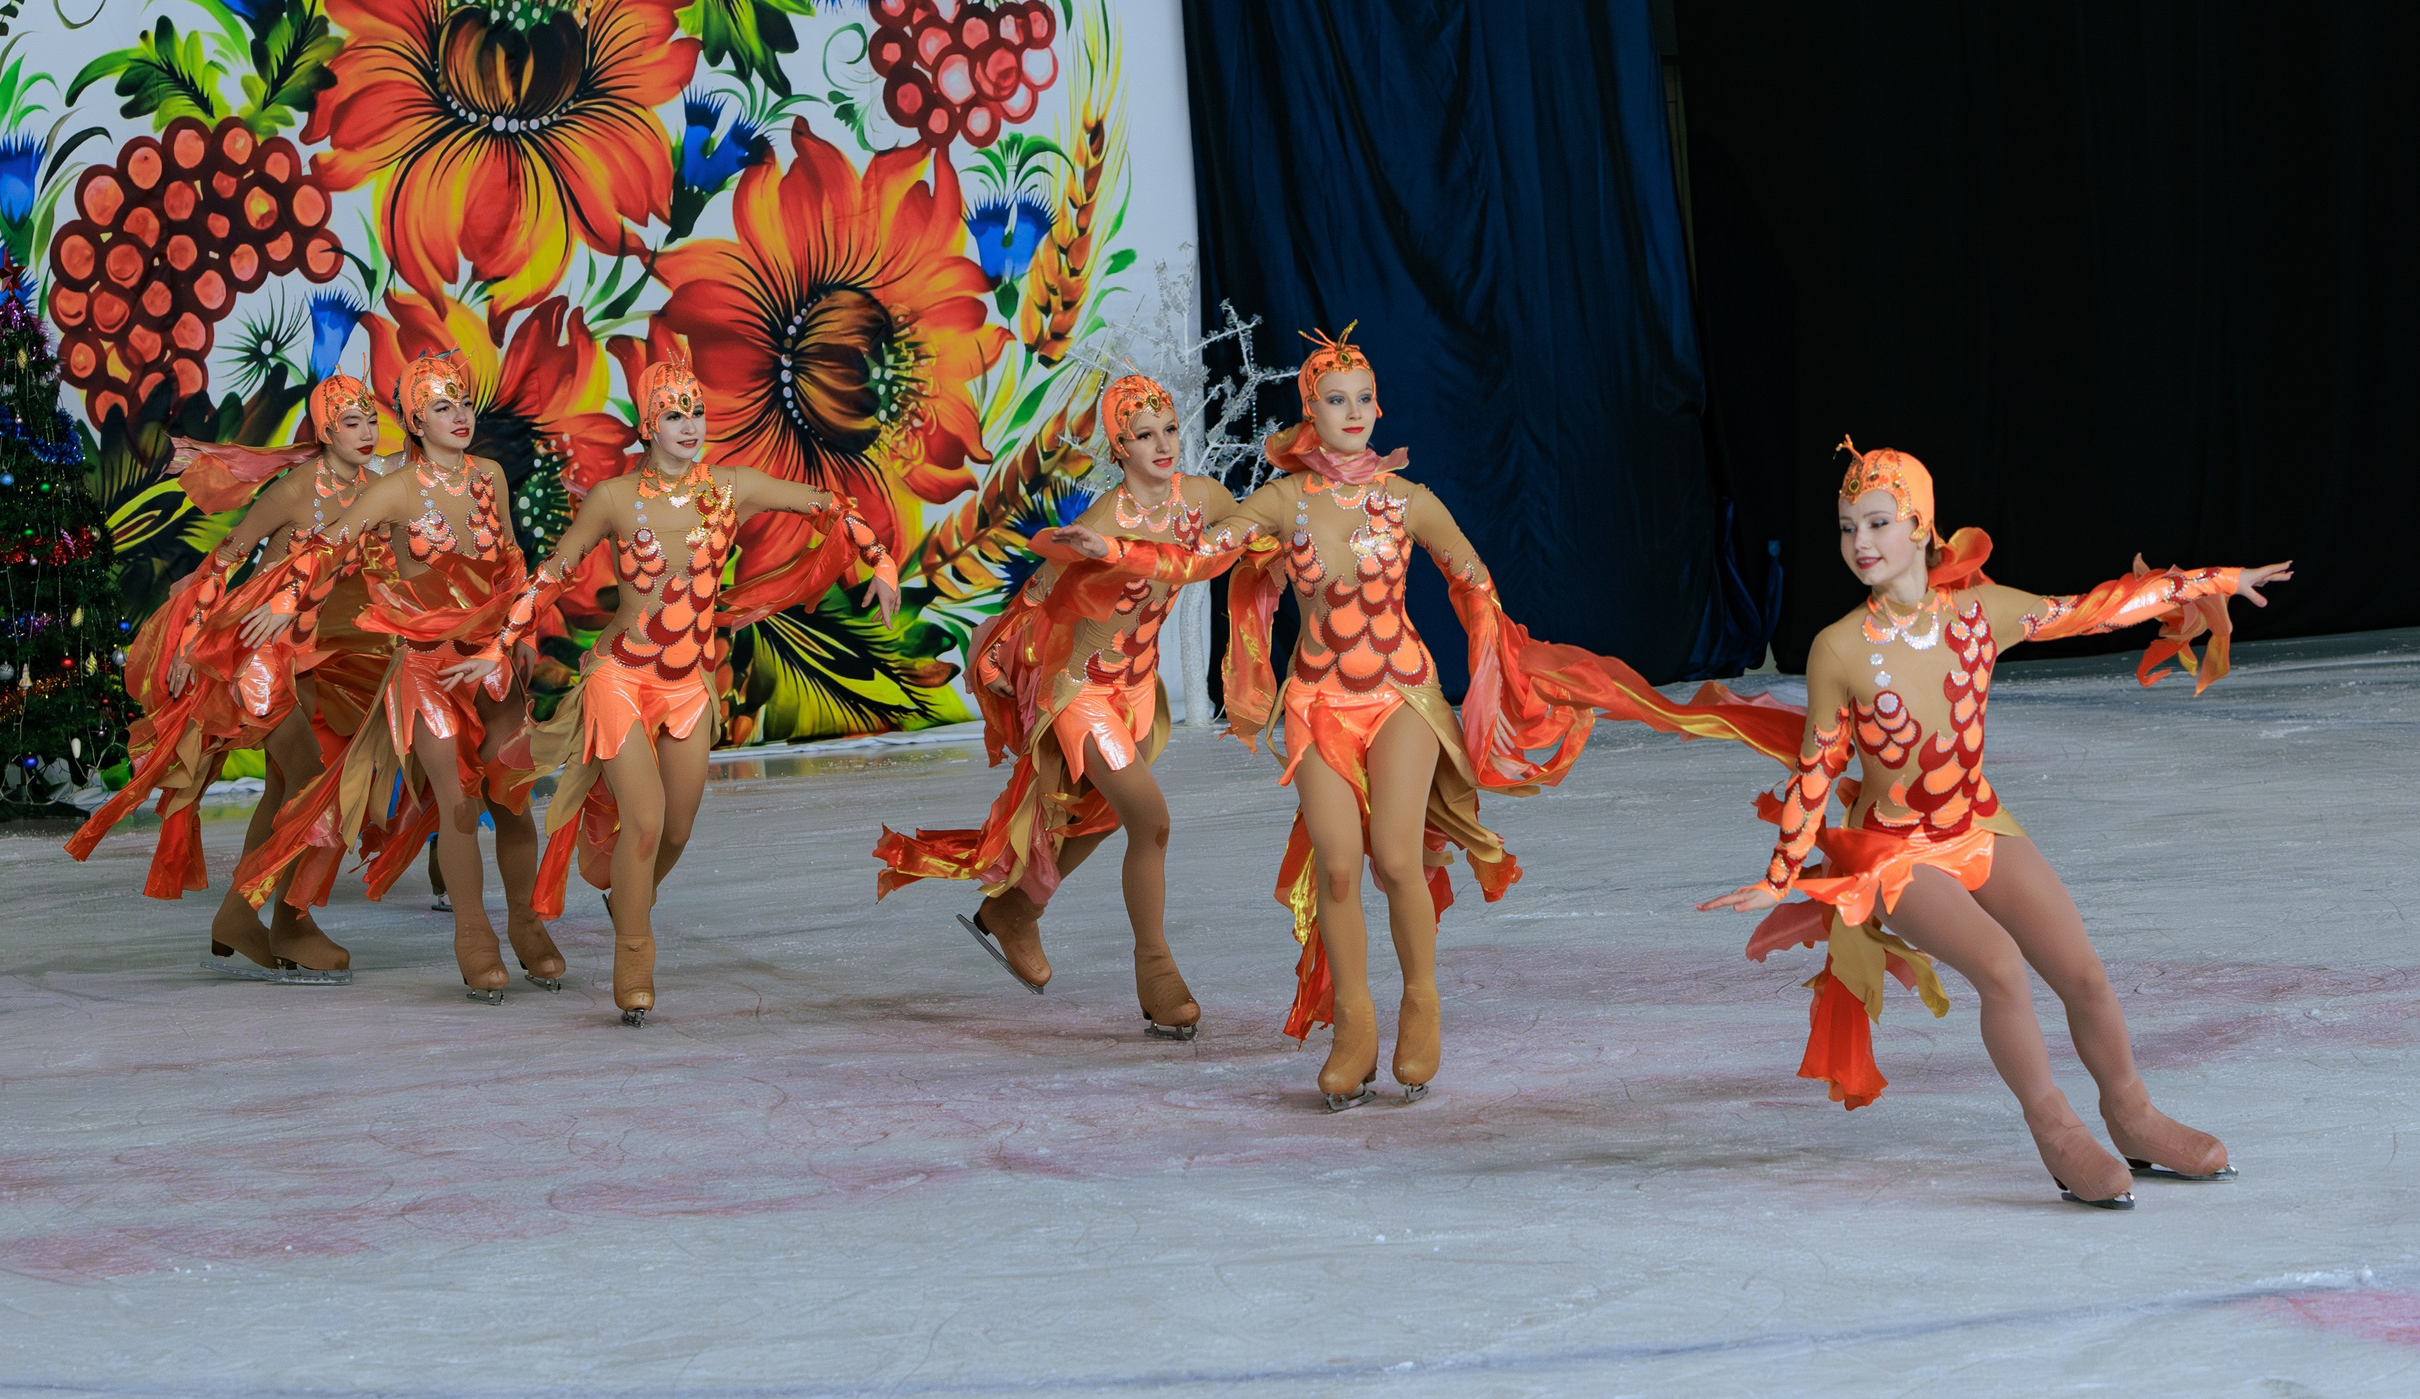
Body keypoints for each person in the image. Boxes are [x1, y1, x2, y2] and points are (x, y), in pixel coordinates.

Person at [1698, 438, 2291, 1207]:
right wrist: (1782, 873)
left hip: (1979, 828)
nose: (1860, 544)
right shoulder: (1836, 649)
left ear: (1920, 526)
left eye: (1877, 523)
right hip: (1892, 851)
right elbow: (1817, 768)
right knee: (2002, 967)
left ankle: (2133, 1114)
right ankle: (2056, 1131)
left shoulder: (1983, 613)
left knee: (2083, 972)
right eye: (1847, 528)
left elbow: (2097, 610)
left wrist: (2216, 581)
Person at [1198, 328, 1707, 1109]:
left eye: (1365, 398)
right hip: (1317, 703)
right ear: (1310, 410)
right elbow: (1206, 551)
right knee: (1336, 866)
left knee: (1398, 860)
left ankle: (1421, 1002)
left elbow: (1471, 570)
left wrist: (1490, 623)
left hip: (1401, 693)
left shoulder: (1408, 501)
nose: (1356, 412)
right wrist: (1133, 544)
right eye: (1337, 400)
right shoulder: (1283, 501)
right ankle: (1353, 1025)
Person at [488, 360, 898, 1024]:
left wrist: (880, 560)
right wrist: (500, 640)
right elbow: (555, 573)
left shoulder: (732, 487)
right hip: (620, 677)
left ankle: (625, 893)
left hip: (689, 687)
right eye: (674, 415)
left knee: (675, 828)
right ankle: (634, 955)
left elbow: (825, 505)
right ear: (649, 424)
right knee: (645, 820)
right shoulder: (615, 497)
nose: (689, 426)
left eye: (697, 413)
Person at [874, 374, 1255, 1039]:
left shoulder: (1201, 497)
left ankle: (1016, 910)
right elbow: (1038, 598)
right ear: (1119, 448)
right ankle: (1156, 972)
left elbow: (1239, 535)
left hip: (1138, 694)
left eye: (1169, 428)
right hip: (1082, 693)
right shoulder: (1104, 521)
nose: (1164, 444)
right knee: (1151, 821)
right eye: (1144, 435)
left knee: (1100, 819)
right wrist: (1002, 656)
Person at [232, 352, 564, 1003]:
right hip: (430, 674)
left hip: (492, 670)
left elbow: (513, 562)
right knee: (459, 804)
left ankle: (526, 923)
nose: (459, 415)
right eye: (442, 406)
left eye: (463, 402)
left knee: (516, 801)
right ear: (413, 419)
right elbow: (326, 549)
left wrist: (516, 636)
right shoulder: (393, 490)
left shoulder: (490, 475)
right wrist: (279, 600)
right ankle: (474, 937)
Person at [64, 374, 392, 979]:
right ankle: (289, 923)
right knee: (312, 784)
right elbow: (228, 556)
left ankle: (241, 917)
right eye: (352, 422)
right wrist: (190, 642)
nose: (368, 433)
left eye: (372, 420)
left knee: (285, 788)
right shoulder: (296, 489)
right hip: (259, 654)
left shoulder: (378, 491)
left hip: (313, 654)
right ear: (324, 432)